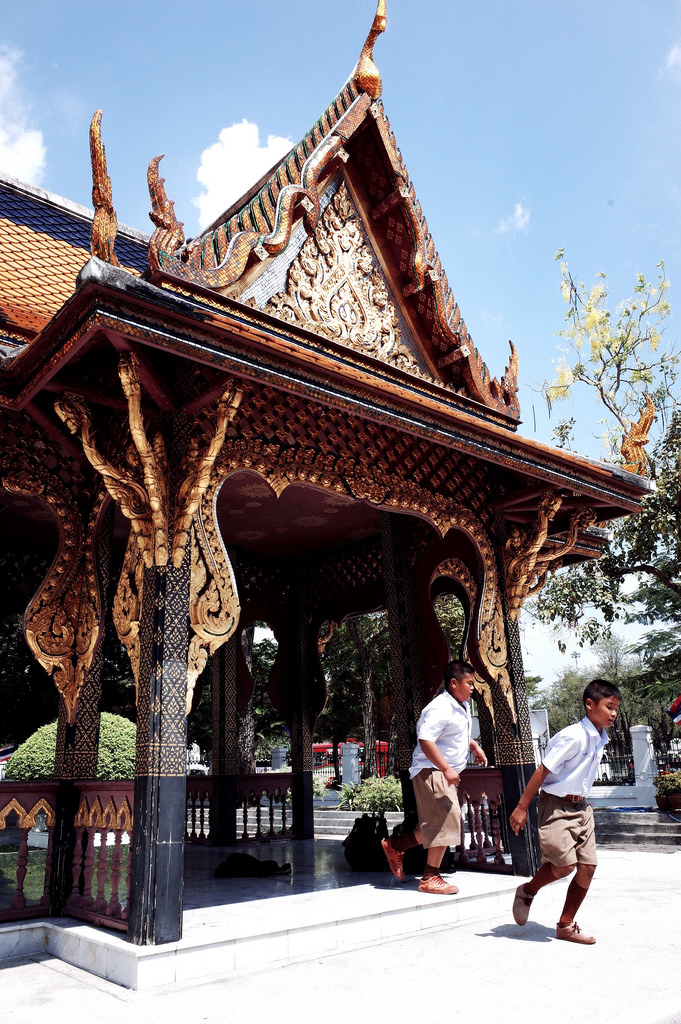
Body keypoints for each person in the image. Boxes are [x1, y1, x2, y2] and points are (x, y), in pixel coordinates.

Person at [509, 678, 622, 944]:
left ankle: (566, 925)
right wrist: (521, 807)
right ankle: (527, 891)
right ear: (589, 704)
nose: (614, 713)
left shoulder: (599, 738)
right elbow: (542, 770)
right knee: (563, 866)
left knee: (588, 866)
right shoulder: (574, 736)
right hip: (556, 805)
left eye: (616, 708)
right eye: (609, 707)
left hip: (581, 807)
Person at [381, 660, 487, 894]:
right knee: (447, 819)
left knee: (439, 822)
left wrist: (473, 746)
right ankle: (430, 877)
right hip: (432, 770)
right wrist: (447, 768)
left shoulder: (461, 706)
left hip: (441, 771)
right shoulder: (440, 707)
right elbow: (426, 740)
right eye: (469, 683)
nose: (472, 688)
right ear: (453, 683)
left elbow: (455, 734)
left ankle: (395, 846)